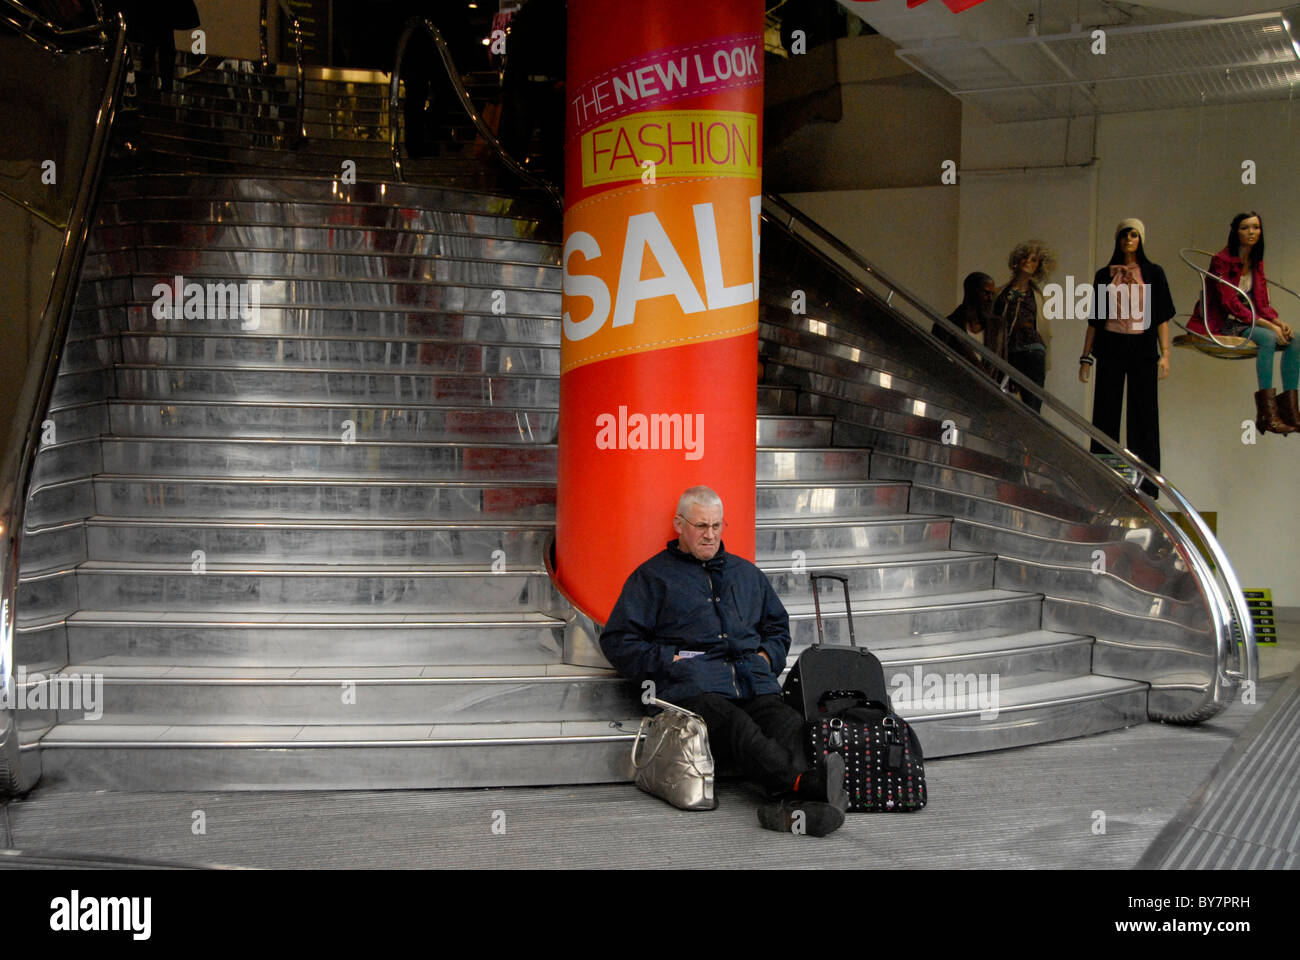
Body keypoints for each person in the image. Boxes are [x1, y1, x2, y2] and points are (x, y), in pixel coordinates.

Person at [600, 486, 847, 836]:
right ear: (679, 525)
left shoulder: (746, 574)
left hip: (752, 680)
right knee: (736, 725)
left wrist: (766, 658)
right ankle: (801, 787)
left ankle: (788, 802)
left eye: (717, 525)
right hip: (691, 689)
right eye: (701, 526)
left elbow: (777, 627)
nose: (711, 534)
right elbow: (617, 641)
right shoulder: (652, 577)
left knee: (789, 723)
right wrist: (670, 660)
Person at [1079, 219, 1175, 498]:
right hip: (1112, 345)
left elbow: (1161, 317)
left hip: (1143, 346)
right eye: (1124, 235)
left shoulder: (1153, 273)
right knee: (1105, 411)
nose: (1129, 239)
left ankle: (1146, 483)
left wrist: (1166, 354)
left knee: (1144, 413)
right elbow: (1095, 320)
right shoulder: (1104, 274)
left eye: (1134, 235)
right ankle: (1103, 477)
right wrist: (1085, 357)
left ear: (1141, 238)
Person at [1198, 212, 1298, 435]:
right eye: (1245, 228)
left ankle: (1290, 411)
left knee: (1296, 339)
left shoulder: (1255, 260)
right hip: (1224, 321)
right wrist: (1270, 327)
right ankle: (1267, 414)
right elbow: (1228, 302)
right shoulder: (1221, 260)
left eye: (1255, 227)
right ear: (1236, 231)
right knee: (1268, 337)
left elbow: (1261, 300)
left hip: (1249, 319)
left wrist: (1277, 321)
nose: (1251, 232)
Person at [992, 241, 1056, 412]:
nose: (1028, 261)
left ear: (1039, 267)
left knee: (1032, 402)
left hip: (1031, 350)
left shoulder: (1039, 297)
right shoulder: (999, 293)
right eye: (1025, 257)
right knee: (1000, 400)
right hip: (1005, 351)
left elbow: (1044, 329)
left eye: (1034, 260)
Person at [934, 271, 1007, 381]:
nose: (990, 299)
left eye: (993, 294)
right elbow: (939, 367)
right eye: (985, 293)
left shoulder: (998, 326)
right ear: (971, 293)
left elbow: (1003, 368)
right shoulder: (945, 327)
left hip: (990, 394)